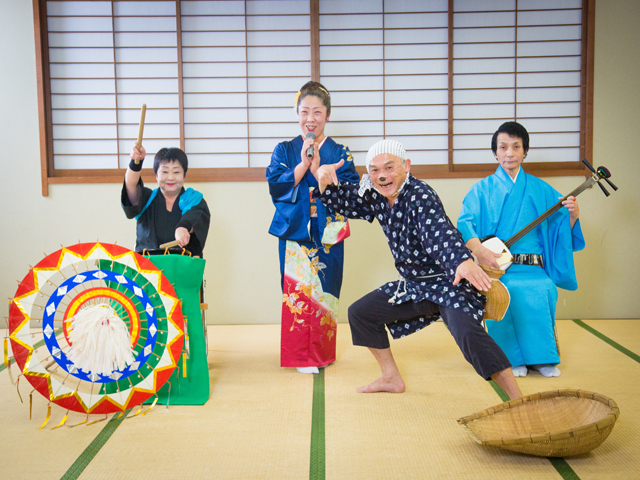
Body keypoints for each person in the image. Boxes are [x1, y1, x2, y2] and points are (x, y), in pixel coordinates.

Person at [314, 139, 522, 399]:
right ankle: (390, 377)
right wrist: (322, 177)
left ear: (406, 166)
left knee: (469, 333)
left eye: (389, 168)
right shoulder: (376, 195)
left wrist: (461, 261)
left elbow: (439, 234)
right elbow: (344, 198)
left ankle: (518, 399)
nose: (382, 176)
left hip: (449, 281)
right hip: (414, 286)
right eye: (375, 170)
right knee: (360, 313)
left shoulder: (420, 195)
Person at [457, 121, 585, 378]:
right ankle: (510, 359)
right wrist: (480, 251)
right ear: (495, 152)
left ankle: (542, 358)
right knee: (504, 292)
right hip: (498, 270)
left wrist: (571, 216)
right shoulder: (481, 190)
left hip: (533, 268)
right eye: (503, 147)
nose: (509, 153)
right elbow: (464, 225)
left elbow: (558, 224)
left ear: (525, 151)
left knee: (543, 288)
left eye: (516, 147)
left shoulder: (541, 189)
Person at [266, 81, 360, 374]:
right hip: (295, 230)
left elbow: (352, 192)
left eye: (317, 112)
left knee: (325, 292)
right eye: (305, 111)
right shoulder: (284, 149)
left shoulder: (340, 151)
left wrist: (325, 175)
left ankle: (321, 353)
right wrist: (305, 166)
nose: (310, 118)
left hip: (328, 232)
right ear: (297, 113)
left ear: (327, 115)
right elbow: (276, 185)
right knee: (297, 293)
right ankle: (300, 357)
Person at [122, 145, 210, 257]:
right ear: (156, 176)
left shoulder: (194, 199)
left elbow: (195, 217)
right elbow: (131, 185)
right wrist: (135, 162)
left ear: (184, 175)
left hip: (182, 269)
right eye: (164, 172)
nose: (171, 177)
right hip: (147, 268)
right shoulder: (147, 199)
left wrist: (183, 227)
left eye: (176, 172)